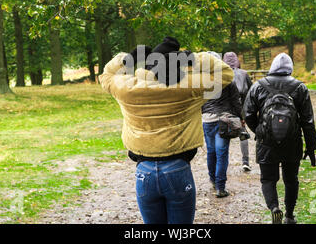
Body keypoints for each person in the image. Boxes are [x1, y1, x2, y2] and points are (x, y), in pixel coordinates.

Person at [99, 37, 234, 224]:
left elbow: (106, 76)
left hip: (143, 170)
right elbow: (226, 73)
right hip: (178, 166)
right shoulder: (189, 87)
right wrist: (192, 58)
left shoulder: (127, 88)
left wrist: (126, 59)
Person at [244, 53, 316, 224]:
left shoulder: (258, 86)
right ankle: (290, 215)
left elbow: (247, 114)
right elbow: (308, 120)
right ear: (290, 68)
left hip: (266, 143)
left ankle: (274, 207)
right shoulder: (300, 88)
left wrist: (260, 131)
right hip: (292, 142)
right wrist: (311, 147)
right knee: (291, 179)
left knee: (268, 178)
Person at [202, 51, 243, 198]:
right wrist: (241, 118)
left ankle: (213, 179)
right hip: (223, 121)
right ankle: (220, 187)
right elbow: (236, 102)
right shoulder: (227, 81)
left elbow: (197, 102)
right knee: (221, 154)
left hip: (206, 120)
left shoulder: (201, 81)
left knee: (211, 152)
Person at [223, 51, 253, 172]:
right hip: (240, 109)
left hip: (225, 110)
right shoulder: (244, 74)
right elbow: (251, 91)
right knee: (243, 134)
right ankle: (245, 161)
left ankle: (223, 165)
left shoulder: (222, 75)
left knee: (223, 136)